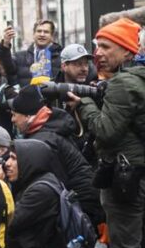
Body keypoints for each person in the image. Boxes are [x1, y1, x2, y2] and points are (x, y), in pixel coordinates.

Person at [68, 17, 145, 248]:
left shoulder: (123, 84)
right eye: (97, 46)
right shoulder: (138, 78)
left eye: (105, 47)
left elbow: (106, 131)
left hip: (128, 178)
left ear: (127, 50)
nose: (97, 53)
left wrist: (85, 103)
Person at [0, 138, 100, 248]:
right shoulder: (41, 180)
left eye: (14, 158)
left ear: (30, 161)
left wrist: (0, 185)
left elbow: (9, 222)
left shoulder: (40, 191)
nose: (7, 163)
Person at [9, 85, 104, 229]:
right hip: (80, 200)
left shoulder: (44, 141)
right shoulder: (50, 127)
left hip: (80, 205)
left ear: (28, 116)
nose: (12, 119)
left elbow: (54, 184)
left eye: (15, 114)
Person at [2, 20, 63, 87]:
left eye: (46, 32)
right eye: (39, 31)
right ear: (34, 34)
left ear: (52, 36)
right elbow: (6, 69)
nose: (42, 35)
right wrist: (5, 45)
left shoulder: (61, 57)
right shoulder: (20, 57)